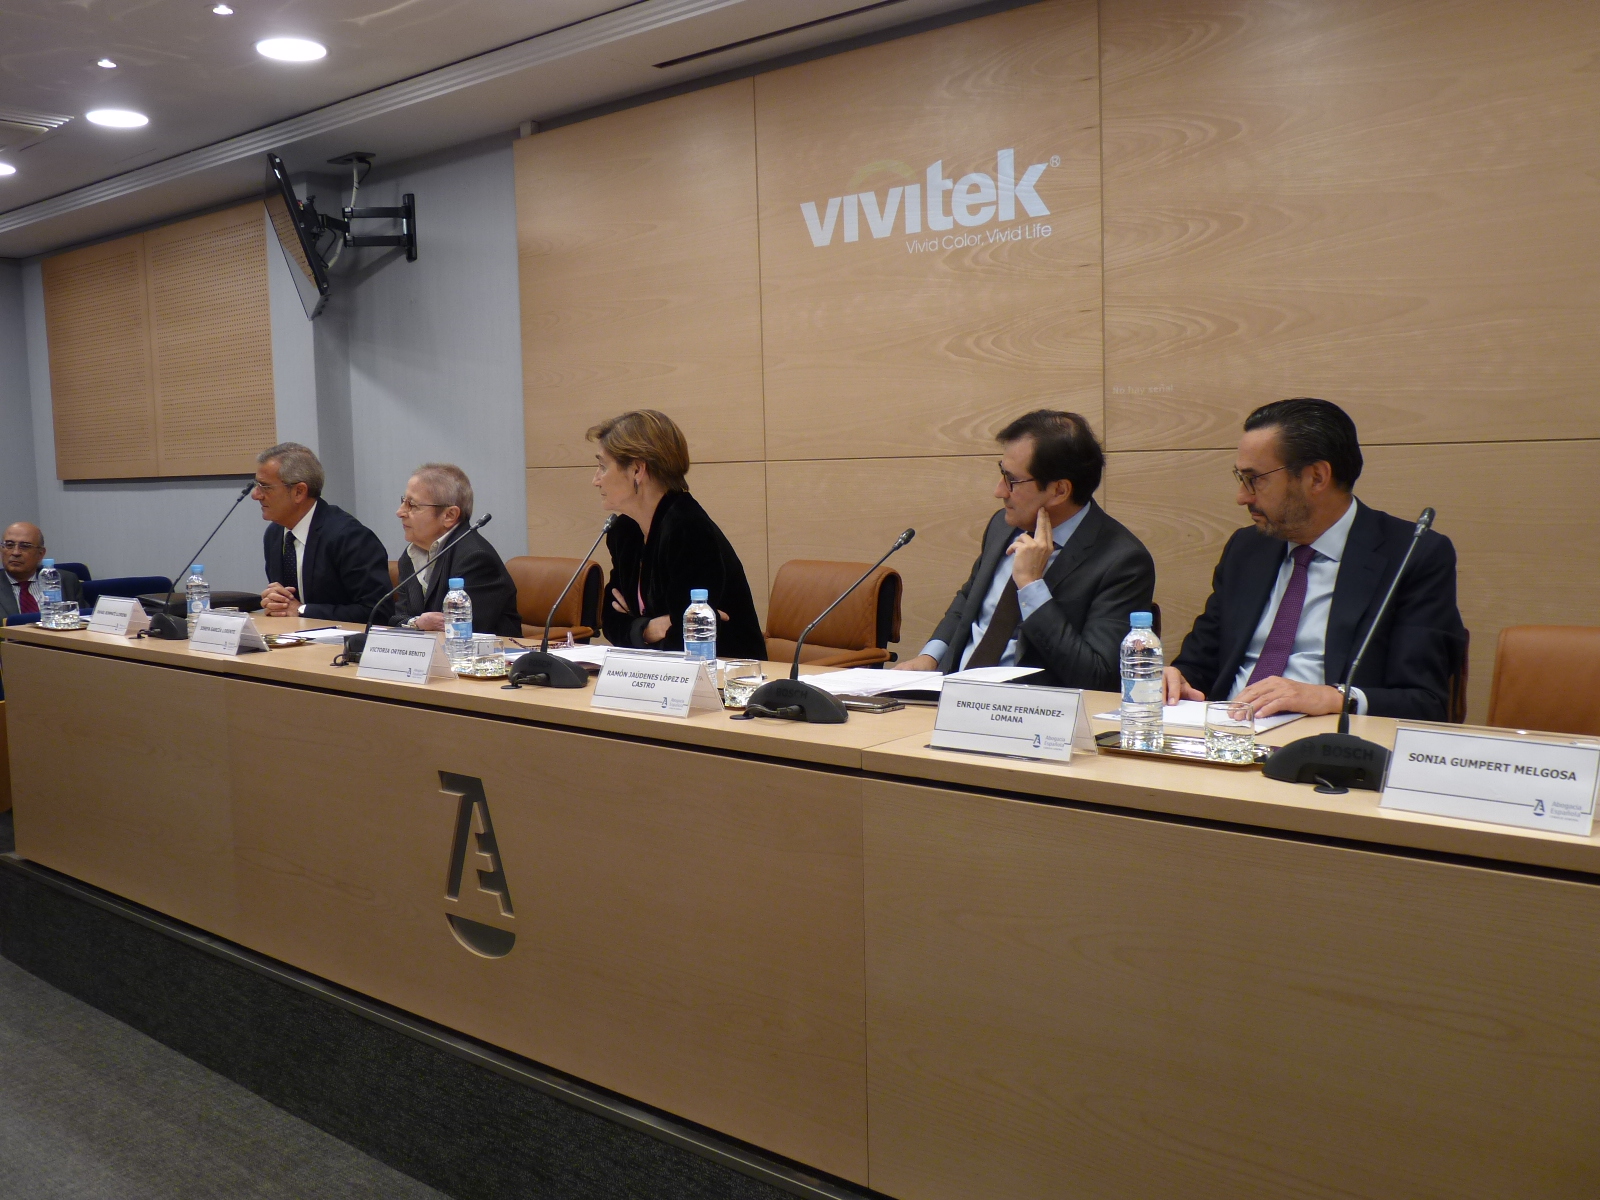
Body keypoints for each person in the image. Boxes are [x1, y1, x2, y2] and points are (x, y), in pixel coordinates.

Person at [1165, 397, 1467, 721]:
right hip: (1226, 733)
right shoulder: (1247, 548)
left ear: (1317, 477)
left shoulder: (1411, 555)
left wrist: (1331, 697)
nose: (1242, 497)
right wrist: (1177, 679)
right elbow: (1200, 663)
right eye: (1241, 479)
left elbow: (1424, 701)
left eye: (1256, 479)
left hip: (1324, 743)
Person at [895, 410, 1156, 690]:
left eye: (1012, 480)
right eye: (1002, 473)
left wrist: (1031, 586)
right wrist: (930, 657)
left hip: (1030, 707)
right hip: (950, 694)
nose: (999, 491)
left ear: (1059, 491)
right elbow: (969, 601)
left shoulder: (1122, 561)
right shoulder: (1003, 525)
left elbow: (1097, 676)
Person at [589, 410, 766, 659]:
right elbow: (610, 620)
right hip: (658, 671)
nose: (596, 480)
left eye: (603, 467)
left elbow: (687, 637)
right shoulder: (625, 532)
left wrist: (637, 625)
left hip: (726, 672)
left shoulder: (688, 529)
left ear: (637, 470)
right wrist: (649, 628)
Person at [255, 442, 391, 622]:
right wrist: (275, 602)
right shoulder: (275, 534)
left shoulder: (350, 537)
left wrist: (302, 610)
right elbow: (288, 605)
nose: (256, 495)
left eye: (265, 487)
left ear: (299, 492)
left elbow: (378, 612)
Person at [383, 463, 520, 635]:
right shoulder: (411, 556)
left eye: (413, 505)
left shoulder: (476, 558)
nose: (400, 512)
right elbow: (397, 618)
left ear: (449, 515)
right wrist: (417, 623)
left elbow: (463, 629)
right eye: (403, 502)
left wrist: (417, 623)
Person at [0, 522, 82, 618]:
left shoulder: (66, 581)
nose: (16, 552)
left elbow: (83, 621)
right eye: (9, 545)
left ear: (40, 554)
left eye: (25, 546)